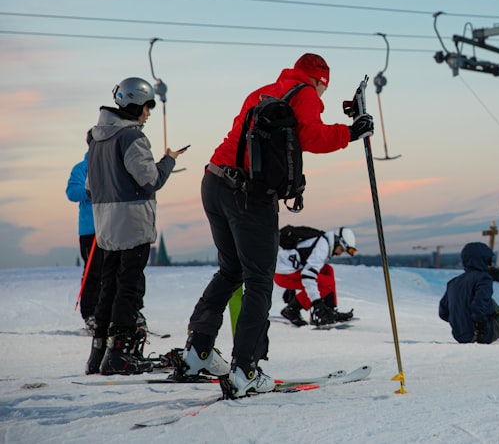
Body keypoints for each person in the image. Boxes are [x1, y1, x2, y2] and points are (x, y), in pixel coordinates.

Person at [180, 53, 373, 398]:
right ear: (321, 81)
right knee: (258, 279)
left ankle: (198, 351)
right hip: (248, 197)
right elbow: (312, 137)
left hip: (214, 180)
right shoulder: (306, 93)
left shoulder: (264, 91)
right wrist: (351, 132)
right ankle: (245, 370)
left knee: (231, 271)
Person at [85, 77, 186, 375]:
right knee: (130, 287)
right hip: (132, 223)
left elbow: (91, 188)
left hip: (105, 224)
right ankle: (121, 355)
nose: (149, 113)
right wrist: (167, 161)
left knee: (109, 287)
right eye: (147, 106)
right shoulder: (132, 138)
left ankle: (99, 353)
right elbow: (149, 180)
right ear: (134, 104)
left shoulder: (95, 137)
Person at [275, 226, 357, 327]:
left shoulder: (323, 241)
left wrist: (290, 290)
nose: (340, 254)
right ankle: (292, 309)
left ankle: (330, 310)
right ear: (336, 241)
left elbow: (298, 256)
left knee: (328, 270)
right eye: (341, 249)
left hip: (285, 271)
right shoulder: (322, 248)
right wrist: (316, 303)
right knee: (324, 283)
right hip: (283, 275)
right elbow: (308, 276)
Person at [66, 152, 103, 333]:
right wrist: (90, 191)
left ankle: (112, 313)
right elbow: (72, 192)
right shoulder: (81, 168)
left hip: (113, 227)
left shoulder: (111, 164)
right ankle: (90, 314)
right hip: (91, 230)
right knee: (93, 272)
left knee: (115, 272)